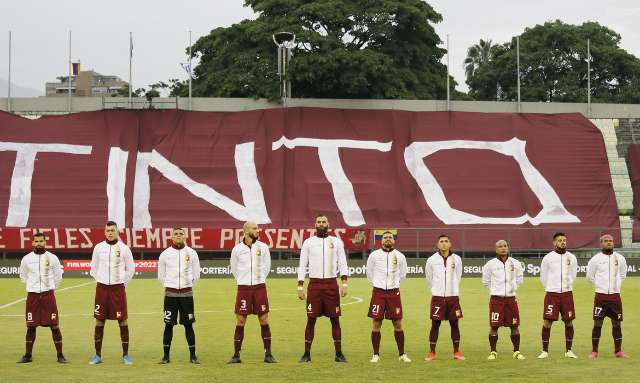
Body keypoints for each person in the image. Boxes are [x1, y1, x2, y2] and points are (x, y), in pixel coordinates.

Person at [297, 214, 349, 363]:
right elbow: (302, 265)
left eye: (323, 221)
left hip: (331, 285)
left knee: (335, 319)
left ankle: (339, 354)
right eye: (319, 222)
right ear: (315, 224)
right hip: (314, 285)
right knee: (311, 319)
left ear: (328, 223)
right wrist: (300, 286)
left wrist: (344, 284)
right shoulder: (308, 242)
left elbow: (343, 264)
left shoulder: (336, 242)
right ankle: (306, 354)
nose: (321, 224)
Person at [228, 221, 277, 363]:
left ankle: (268, 354)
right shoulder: (237, 249)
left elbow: (267, 267)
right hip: (243, 288)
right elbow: (234, 269)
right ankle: (236, 355)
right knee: (241, 320)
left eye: (257, 228)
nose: (258, 230)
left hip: (259, 287)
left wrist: (258, 279)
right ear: (246, 230)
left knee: (264, 319)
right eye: (255, 228)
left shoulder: (263, 247)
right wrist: (243, 281)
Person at [89, 221, 135, 365]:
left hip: (118, 290)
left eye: (112, 230)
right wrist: (101, 281)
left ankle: (126, 355)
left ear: (117, 232)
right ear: (105, 232)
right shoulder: (98, 248)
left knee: (123, 320)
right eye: (108, 230)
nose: (110, 232)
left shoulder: (124, 248)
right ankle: (97, 355)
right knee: (99, 320)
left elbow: (131, 269)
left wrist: (121, 283)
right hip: (102, 290)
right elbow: (93, 268)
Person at [17, 232, 67, 363]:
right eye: (36, 241)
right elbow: (23, 277)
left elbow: (58, 277)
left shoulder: (52, 258)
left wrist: (48, 288)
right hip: (32, 297)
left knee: (54, 326)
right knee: (31, 326)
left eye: (41, 241)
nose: (39, 243)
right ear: (33, 243)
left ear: (45, 242)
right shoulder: (26, 259)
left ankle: (60, 355)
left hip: (48, 297)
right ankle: (28, 355)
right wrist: (34, 287)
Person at [366, 231, 410, 363]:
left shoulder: (400, 256)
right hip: (378, 293)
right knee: (376, 323)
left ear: (394, 240)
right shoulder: (374, 255)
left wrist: (393, 285)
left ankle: (402, 355)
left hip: (393, 293)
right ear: (381, 240)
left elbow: (403, 274)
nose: (388, 239)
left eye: (390, 237)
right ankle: (375, 355)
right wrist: (378, 284)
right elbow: (369, 272)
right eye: (385, 237)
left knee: (397, 323)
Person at [158, 228, 201, 364]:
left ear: (185, 236)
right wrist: (170, 285)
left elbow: (196, 274)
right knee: (168, 325)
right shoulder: (165, 254)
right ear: (172, 237)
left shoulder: (192, 253)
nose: (178, 236)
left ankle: (193, 356)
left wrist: (187, 285)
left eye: (181, 234)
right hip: (170, 295)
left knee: (188, 325)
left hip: (186, 295)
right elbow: (161, 275)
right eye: (176, 234)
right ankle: (166, 357)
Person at [482, 240, 525, 360]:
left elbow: (520, 279)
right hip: (496, 300)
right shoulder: (490, 264)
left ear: (508, 248)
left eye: (505, 246)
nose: (503, 248)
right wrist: (495, 291)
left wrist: (512, 289)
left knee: (514, 326)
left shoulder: (515, 263)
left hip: (511, 300)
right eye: (500, 246)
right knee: (494, 326)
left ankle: (516, 351)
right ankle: (493, 351)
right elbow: (486, 281)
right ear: (496, 249)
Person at [586, 234, 628, 358]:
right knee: (597, 324)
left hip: (615, 297)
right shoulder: (595, 259)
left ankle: (618, 351)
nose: (609, 243)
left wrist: (616, 287)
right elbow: (589, 277)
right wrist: (600, 287)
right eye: (606, 241)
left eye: (611, 241)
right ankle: (594, 351)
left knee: (617, 324)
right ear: (601, 243)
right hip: (600, 297)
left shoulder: (620, 258)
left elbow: (622, 275)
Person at [424, 234, 465, 361]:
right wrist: (437, 289)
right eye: (441, 241)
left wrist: (452, 290)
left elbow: (458, 276)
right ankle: (432, 352)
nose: (444, 243)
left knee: (455, 324)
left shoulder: (457, 259)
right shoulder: (431, 260)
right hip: (438, 297)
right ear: (437, 244)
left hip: (453, 298)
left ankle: (457, 352)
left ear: (450, 244)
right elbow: (429, 278)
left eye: (446, 241)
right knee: (435, 324)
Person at [538, 232, 578, 359]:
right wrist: (551, 287)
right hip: (552, 294)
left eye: (564, 240)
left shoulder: (572, 257)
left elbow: (573, 275)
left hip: (567, 294)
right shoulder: (548, 258)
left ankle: (569, 350)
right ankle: (545, 351)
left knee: (569, 322)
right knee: (547, 321)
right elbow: (543, 277)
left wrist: (567, 286)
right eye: (560, 240)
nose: (563, 242)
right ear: (554, 242)